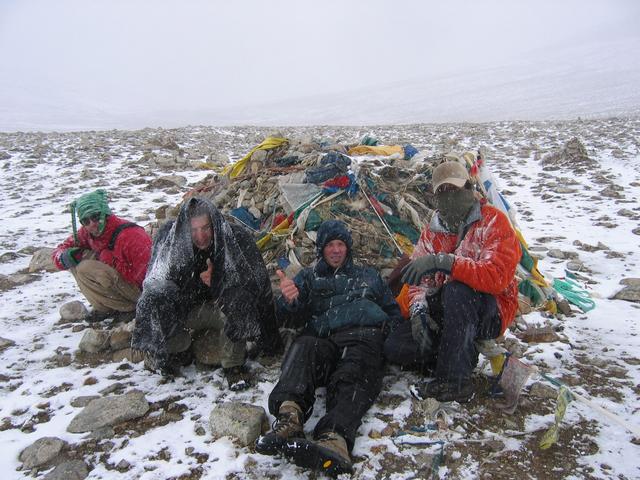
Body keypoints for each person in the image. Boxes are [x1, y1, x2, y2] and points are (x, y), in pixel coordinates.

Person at [255, 220, 402, 477]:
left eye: (341, 244)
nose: (336, 250)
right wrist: (289, 301)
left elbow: (393, 314)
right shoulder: (309, 277)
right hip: (323, 339)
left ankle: (335, 437)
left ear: (348, 248)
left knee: (354, 372)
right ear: (321, 249)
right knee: (303, 347)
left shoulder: (369, 276)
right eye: (330, 245)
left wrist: (394, 341)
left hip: (362, 337)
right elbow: (289, 318)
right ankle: (289, 418)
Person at [384, 161, 521, 403]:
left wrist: (446, 262)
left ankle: (454, 381)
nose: (450, 197)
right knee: (396, 346)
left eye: (455, 190)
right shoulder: (434, 230)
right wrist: (418, 312)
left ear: (469, 188)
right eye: (443, 193)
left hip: (490, 310)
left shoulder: (493, 222)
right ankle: (455, 351)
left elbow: (496, 278)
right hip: (448, 310)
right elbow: (418, 279)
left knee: (458, 292)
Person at [131, 197, 280, 386]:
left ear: (214, 224)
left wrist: (217, 281)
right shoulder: (171, 239)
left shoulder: (234, 237)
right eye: (193, 230)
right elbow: (156, 282)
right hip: (187, 309)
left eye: (206, 228)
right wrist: (190, 284)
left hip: (220, 307)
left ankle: (233, 366)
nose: (200, 236)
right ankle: (175, 351)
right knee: (154, 299)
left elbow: (255, 287)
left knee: (238, 299)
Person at [52, 189, 152, 323]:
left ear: (105, 213)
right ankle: (108, 307)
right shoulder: (88, 233)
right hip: (123, 281)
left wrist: (110, 260)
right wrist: (63, 258)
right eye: (86, 221)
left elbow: (148, 275)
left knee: (85, 267)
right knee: (75, 260)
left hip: (143, 291)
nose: (92, 224)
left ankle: (129, 308)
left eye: (96, 216)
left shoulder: (131, 235)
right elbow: (62, 249)